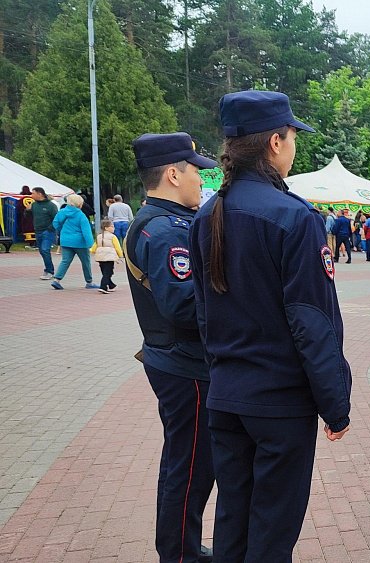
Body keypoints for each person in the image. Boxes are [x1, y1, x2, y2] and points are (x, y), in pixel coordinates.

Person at [189, 91, 351, 561]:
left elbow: (203, 314)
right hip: (279, 405)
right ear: (276, 142)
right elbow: (312, 322)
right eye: (294, 136)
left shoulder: (206, 215)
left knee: (233, 521)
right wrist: (335, 404)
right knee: (272, 532)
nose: (295, 146)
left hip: (227, 395)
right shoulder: (293, 217)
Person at [127, 132, 219, 563]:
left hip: (176, 361)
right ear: (171, 174)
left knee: (187, 462)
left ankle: (180, 545)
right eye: (194, 172)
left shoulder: (161, 222)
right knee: (190, 468)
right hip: (185, 365)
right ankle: (180, 554)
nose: (201, 180)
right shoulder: (165, 230)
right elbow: (183, 306)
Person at [50, 194, 97, 290]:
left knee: (65, 261)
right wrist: (91, 244)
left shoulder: (62, 212)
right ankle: (89, 282)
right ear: (80, 204)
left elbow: (55, 223)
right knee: (85, 262)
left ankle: (56, 280)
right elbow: (86, 231)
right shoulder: (81, 215)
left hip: (65, 240)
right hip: (80, 242)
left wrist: (62, 231)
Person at [28, 187, 59, 280]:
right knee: (42, 251)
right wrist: (27, 210)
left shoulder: (51, 205)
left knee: (45, 250)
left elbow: (56, 219)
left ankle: (50, 271)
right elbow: (29, 216)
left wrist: (50, 229)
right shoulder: (34, 205)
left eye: (33, 193)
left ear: (40, 194)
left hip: (48, 231)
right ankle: (47, 269)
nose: (31, 195)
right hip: (38, 230)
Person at [91, 219, 123, 293]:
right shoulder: (112, 237)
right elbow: (117, 247)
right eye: (112, 226)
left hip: (100, 256)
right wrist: (120, 255)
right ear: (106, 228)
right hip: (109, 256)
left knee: (104, 271)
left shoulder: (99, 236)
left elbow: (94, 246)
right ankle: (103, 287)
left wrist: (92, 251)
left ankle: (111, 285)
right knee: (108, 272)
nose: (113, 228)